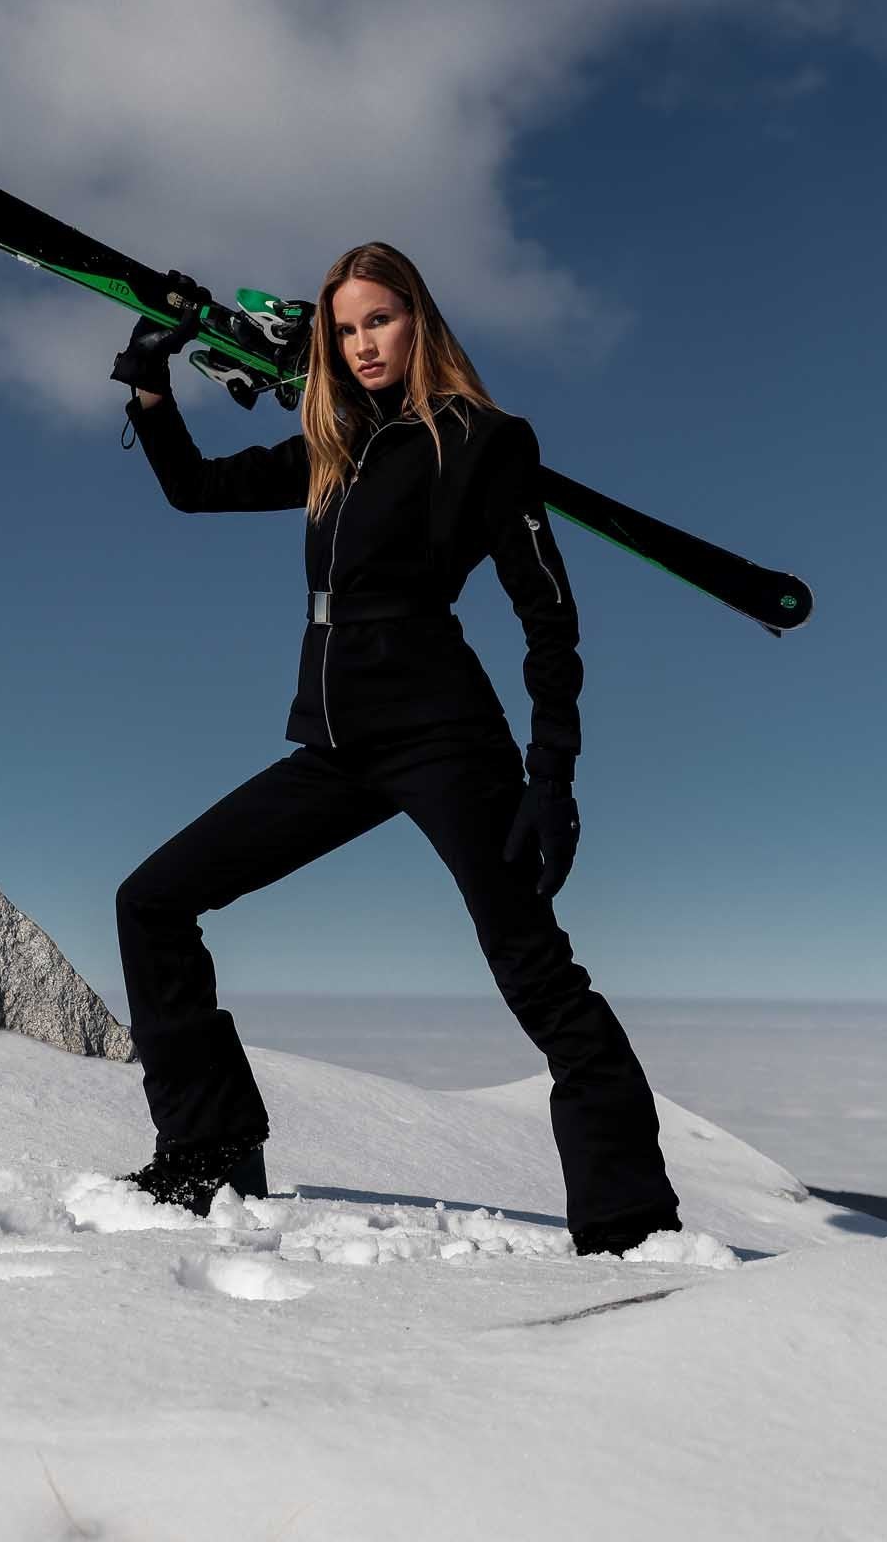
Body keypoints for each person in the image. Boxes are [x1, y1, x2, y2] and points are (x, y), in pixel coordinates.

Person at [111, 243, 681, 1257]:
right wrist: (151, 382)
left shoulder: (484, 440)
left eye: (379, 318)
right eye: (344, 329)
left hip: (444, 737)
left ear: (419, 319)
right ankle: (209, 1151)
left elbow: (548, 615)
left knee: (533, 968)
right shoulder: (332, 445)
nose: (363, 342)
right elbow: (193, 489)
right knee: (152, 900)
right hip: (335, 746)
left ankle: (631, 1220)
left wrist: (552, 774)